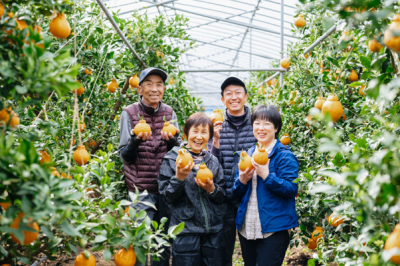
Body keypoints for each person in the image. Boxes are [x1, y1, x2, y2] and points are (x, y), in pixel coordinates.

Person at [118, 67, 181, 266]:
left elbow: (177, 153)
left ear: (163, 88)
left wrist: (172, 142)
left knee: (162, 242)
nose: (155, 88)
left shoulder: (169, 113)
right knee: (139, 241)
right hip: (140, 191)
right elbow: (124, 157)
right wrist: (135, 141)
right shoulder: (129, 113)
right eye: (149, 84)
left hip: (165, 189)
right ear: (139, 89)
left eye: (159, 84)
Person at [232, 105, 299, 266]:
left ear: (276, 128)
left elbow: (291, 189)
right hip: (247, 227)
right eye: (257, 123)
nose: (261, 128)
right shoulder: (246, 154)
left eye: (267, 123)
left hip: (273, 229)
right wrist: (242, 180)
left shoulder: (284, 156)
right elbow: (236, 192)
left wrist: (267, 176)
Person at [158, 113, 226, 266]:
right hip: (185, 231)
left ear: (209, 137)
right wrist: (179, 178)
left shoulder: (213, 161)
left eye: (204, 132)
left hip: (212, 231)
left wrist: (212, 189)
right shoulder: (171, 160)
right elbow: (167, 196)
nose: (199, 136)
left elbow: (221, 196)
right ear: (185, 134)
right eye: (195, 131)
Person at [208, 76, 257, 265]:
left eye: (238, 93)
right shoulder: (215, 124)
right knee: (222, 252)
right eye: (228, 93)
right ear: (222, 100)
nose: (233, 97)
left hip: (250, 197)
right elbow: (211, 164)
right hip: (223, 198)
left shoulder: (257, 122)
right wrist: (215, 140)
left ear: (246, 96)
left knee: (251, 251)